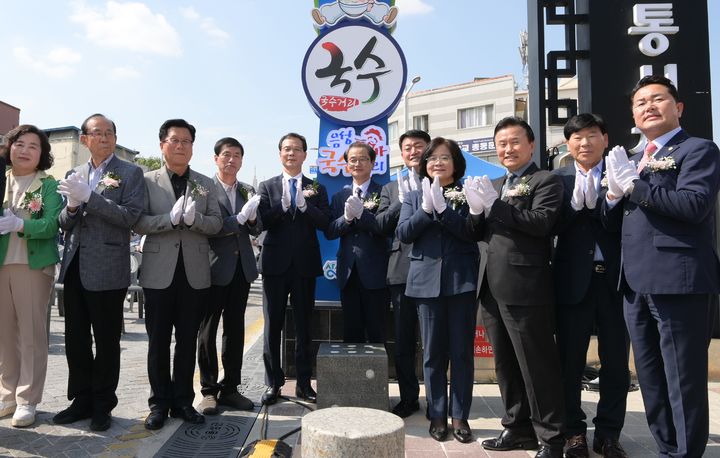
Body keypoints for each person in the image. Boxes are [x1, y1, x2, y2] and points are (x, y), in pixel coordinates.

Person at [603, 75, 720, 457]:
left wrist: (635, 188)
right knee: (650, 379)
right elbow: (617, 222)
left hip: (678, 280)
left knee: (682, 379)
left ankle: (686, 453)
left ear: (679, 107)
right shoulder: (635, 160)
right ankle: (667, 449)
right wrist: (608, 196)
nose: (648, 106)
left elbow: (693, 205)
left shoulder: (698, 150)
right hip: (634, 283)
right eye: (640, 103)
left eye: (658, 99)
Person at [469, 117, 565, 457]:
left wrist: (494, 206)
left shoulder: (546, 180)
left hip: (526, 287)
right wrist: (476, 212)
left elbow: (540, 224)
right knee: (505, 365)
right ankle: (517, 427)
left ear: (531, 145)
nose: (507, 149)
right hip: (491, 286)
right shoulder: (494, 182)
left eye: (514, 142)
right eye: (501, 143)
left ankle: (552, 438)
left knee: (536, 365)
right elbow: (478, 234)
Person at [54, 114, 145, 432]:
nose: (105, 138)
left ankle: (103, 405)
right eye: (98, 133)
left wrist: (90, 198)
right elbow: (63, 222)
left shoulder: (130, 173)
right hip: (75, 264)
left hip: (108, 268)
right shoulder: (74, 172)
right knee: (75, 339)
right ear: (84, 139)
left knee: (106, 341)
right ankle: (80, 400)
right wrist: (74, 207)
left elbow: (131, 217)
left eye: (110, 133)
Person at [134, 119, 222, 430]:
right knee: (158, 341)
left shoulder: (205, 183)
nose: (181, 146)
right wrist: (168, 220)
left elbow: (216, 224)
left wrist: (194, 219)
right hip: (159, 273)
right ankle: (159, 403)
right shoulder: (147, 181)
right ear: (162, 145)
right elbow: (139, 222)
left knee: (187, 341)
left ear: (192, 147)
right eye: (175, 140)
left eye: (186, 141)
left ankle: (184, 401)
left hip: (195, 274)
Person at [552, 114, 629, 458]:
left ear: (605, 138)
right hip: (572, 282)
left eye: (592, 135)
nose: (585, 143)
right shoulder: (558, 179)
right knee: (569, 362)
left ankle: (609, 434)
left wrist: (609, 199)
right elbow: (550, 226)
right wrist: (572, 207)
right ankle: (573, 432)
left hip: (614, 281)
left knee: (615, 362)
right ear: (568, 145)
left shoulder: (623, 172)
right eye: (577, 138)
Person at [396, 137, 482, 444]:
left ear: (455, 163)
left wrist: (445, 210)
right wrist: (425, 209)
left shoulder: (466, 190)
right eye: (432, 158)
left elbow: (473, 233)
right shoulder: (414, 194)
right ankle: (437, 414)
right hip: (425, 281)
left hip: (461, 280)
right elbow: (404, 233)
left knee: (461, 352)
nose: (438, 163)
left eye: (445, 158)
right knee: (432, 354)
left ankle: (460, 416)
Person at [256, 132, 331, 405]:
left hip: (304, 266)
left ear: (304, 154)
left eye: (296, 149)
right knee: (272, 326)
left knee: (303, 328)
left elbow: (326, 223)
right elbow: (260, 222)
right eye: (286, 149)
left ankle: (303, 383)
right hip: (275, 265)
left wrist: (304, 206)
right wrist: (281, 207)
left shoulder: (317, 188)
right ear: (279, 154)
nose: (291, 153)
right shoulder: (267, 186)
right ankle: (272, 384)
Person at [0, 125, 62, 427]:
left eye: (32, 146)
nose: (24, 150)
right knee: (4, 334)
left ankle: (27, 399)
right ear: (9, 147)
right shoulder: (2, 178)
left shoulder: (48, 185)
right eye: (19, 143)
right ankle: (6, 393)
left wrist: (20, 226)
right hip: (1, 266)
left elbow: (52, 225)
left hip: (32, 266)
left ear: (42, 154)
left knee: (31, 334)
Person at [196, 137, 262, 415]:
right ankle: (209, 391)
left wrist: (252, 218)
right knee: (208, 331)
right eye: (226, 155)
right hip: (213, 268)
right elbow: (204, 226)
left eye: (237, 155)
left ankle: (231, 388)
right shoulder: (203, 188)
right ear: (216, 159)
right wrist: (236, 220)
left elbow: (257, 227)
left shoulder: (248, 190)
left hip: (241, 269)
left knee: (235, 330)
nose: (231, 160)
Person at [376, 129, 429, 418]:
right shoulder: (389, 187)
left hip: (435, 269)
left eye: (418, 146)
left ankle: (438, 400)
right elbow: (381, 224)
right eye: (407, 147)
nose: (413, 152)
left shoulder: (440, 179)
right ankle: (409, 398)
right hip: (401, 271)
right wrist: (402, 200)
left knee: (434, 342)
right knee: (405, 340)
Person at [325, 141, 389, 343]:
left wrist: (362, 215)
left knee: (377, 331)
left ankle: (376, 375)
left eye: (363, 159)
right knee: (351, 332)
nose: (358, 163)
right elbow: (330, 232)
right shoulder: (339, 197)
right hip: (348, 273)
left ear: (372, 163)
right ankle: (353, 375)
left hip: (376, 272)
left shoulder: (384, 192)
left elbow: (383, 228)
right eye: (353, 160)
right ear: (346, 165)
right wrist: (347, 219)